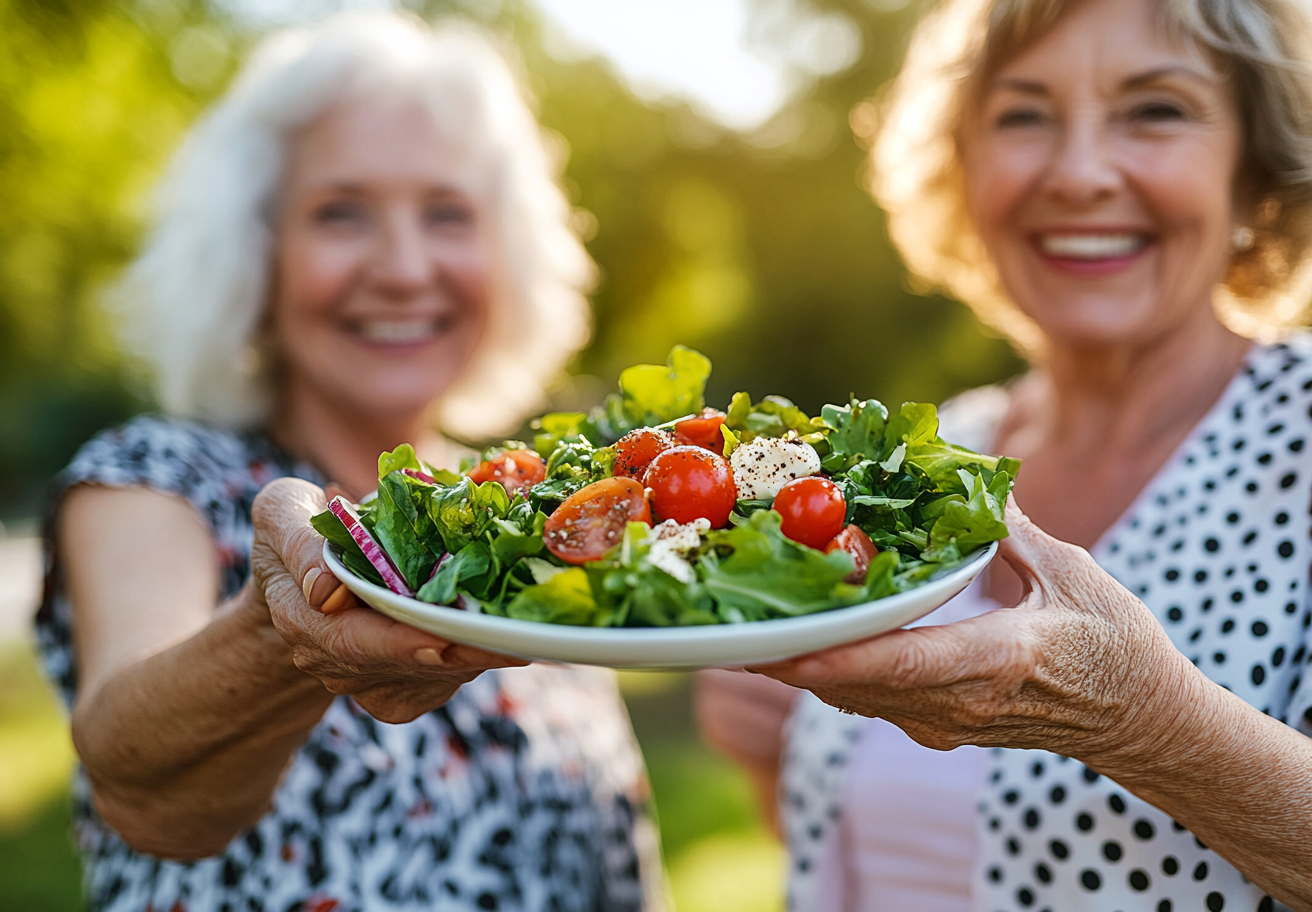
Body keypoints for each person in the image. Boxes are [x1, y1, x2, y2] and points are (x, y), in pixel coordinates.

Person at [37, 12, 664, 911]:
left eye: (447, 212)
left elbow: (622, 864)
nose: (405, 268)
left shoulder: (541, 515)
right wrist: (281, 630)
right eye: (340, 214)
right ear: (257, 255)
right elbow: (147, 791)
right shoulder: (153, 478)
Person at [698, 0, 1312, 908]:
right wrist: (769, 753)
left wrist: (1144, 722)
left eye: (1155, 110)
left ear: (1254, 167)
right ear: (963, 167)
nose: (1079, 172)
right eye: (1024, 115)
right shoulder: (926, 460)